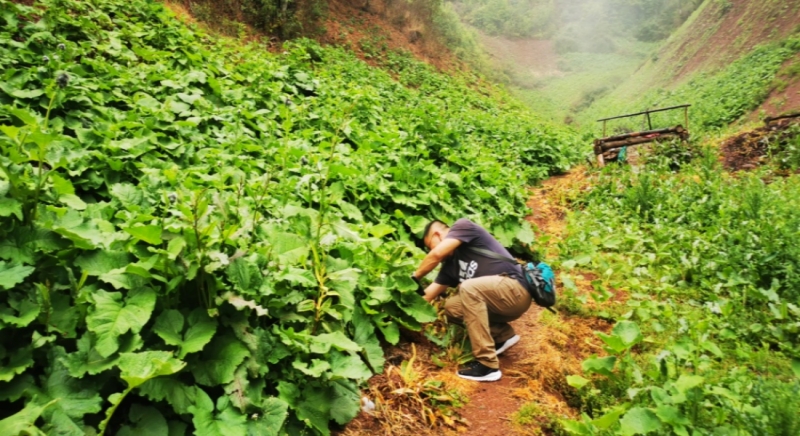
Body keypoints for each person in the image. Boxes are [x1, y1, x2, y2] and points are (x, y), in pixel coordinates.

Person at [412, 218, 532, 381]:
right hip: (500, 303)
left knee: (468, 287)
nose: (429, 251)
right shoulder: (450, 267)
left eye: (429, 245)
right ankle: (502, 336)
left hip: (516, 289)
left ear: (438, 235)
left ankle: (487, 366)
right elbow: (427, 296)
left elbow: (437, 254)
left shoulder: (463, 226)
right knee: (452, 307)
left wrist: (415, 277)